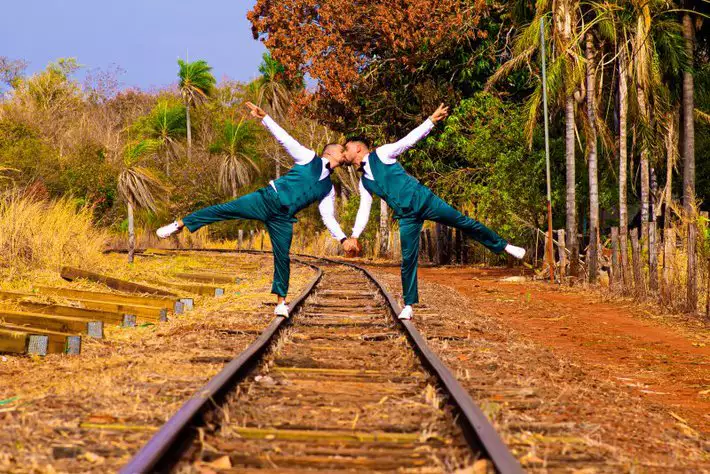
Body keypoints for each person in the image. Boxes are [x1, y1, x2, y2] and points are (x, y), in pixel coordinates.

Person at [157, 102, 349, 318]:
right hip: (266, 198)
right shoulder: (308, 157)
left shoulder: (328, 189)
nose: (345, 156)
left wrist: (343, 239)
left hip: (283, 218)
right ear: (332, 153)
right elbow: (285, 138)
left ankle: (281, 302)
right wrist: (265, 118)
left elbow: (328, 217)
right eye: (343, 152)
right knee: (223, 210)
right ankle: (179, 224)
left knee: (282, 256)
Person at [342, 104, 526, 320]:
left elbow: (408, 141)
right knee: (408, 259)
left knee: (463, 222)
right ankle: (409, 305)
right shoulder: (364, 182)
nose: (344, 154)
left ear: (357, 149)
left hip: (424, 199)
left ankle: (504, 246)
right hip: (407, 216)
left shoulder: (381, 154)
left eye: (345, 149)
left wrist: (431, 120)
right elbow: (364, 208)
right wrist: (355, 234)